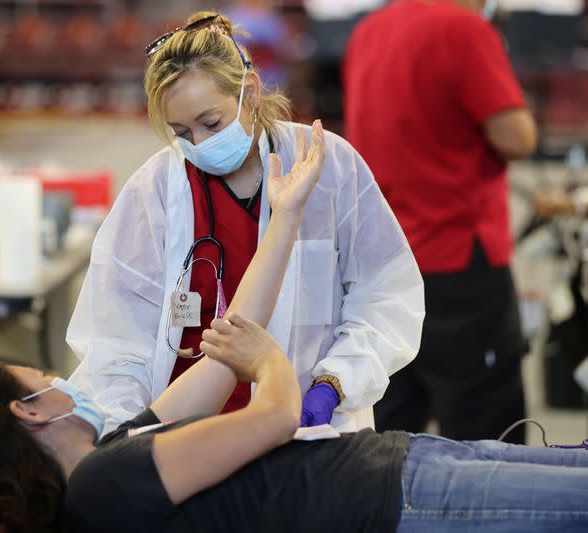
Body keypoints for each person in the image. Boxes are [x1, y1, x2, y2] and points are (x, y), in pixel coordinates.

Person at [0, 141, 588, 531]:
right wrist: (277, 367)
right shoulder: (103, 486)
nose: (61, 381)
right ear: (31, 410)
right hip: (384, 499)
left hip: (388, 464)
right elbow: (274, 412)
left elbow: (216, 369)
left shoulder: (114, 447)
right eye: (40, 379)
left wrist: (283, 220)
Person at [66, 10, 425, 435]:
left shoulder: (326, 167)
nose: (198, 144)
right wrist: (127, 435)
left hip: (305, 426)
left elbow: (386, 296)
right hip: (190, 437)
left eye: (211, 123)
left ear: (250, 92)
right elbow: (115, 339)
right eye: (181, 132)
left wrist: (334, 383)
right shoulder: (156, 190)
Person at [343, 0, 539, 443]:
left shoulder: (369, 32)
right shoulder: (464, 30)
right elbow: (517, 136)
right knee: (487, 430)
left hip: (385, 261)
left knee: (394, 429)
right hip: (457, 260)